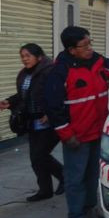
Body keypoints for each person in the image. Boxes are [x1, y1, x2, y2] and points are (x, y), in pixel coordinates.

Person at [44, 26, 109, 218]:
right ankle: (76, 216)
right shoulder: (60, 72)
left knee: (94, 174)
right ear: (71, 49)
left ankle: (90, 209)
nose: (90, 48)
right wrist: (67, 135)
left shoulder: (97, 61)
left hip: (98, 132)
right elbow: (53, 107)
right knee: (75, 178)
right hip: (77, 136)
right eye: (84, 45)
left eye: (90, 43)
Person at [0, 43, 64, 202]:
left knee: (39, 155)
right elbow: (24, 95)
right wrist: (9, 101)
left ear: (39, 56)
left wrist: (50, 113)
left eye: (28, 56)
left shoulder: (50, 71)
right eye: (22, 56)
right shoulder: (25, 73)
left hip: (49, 121)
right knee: (36, 158)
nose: (24, 59)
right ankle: (45, 189)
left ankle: (65, 177)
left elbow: (61, 93)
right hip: (32, 121)